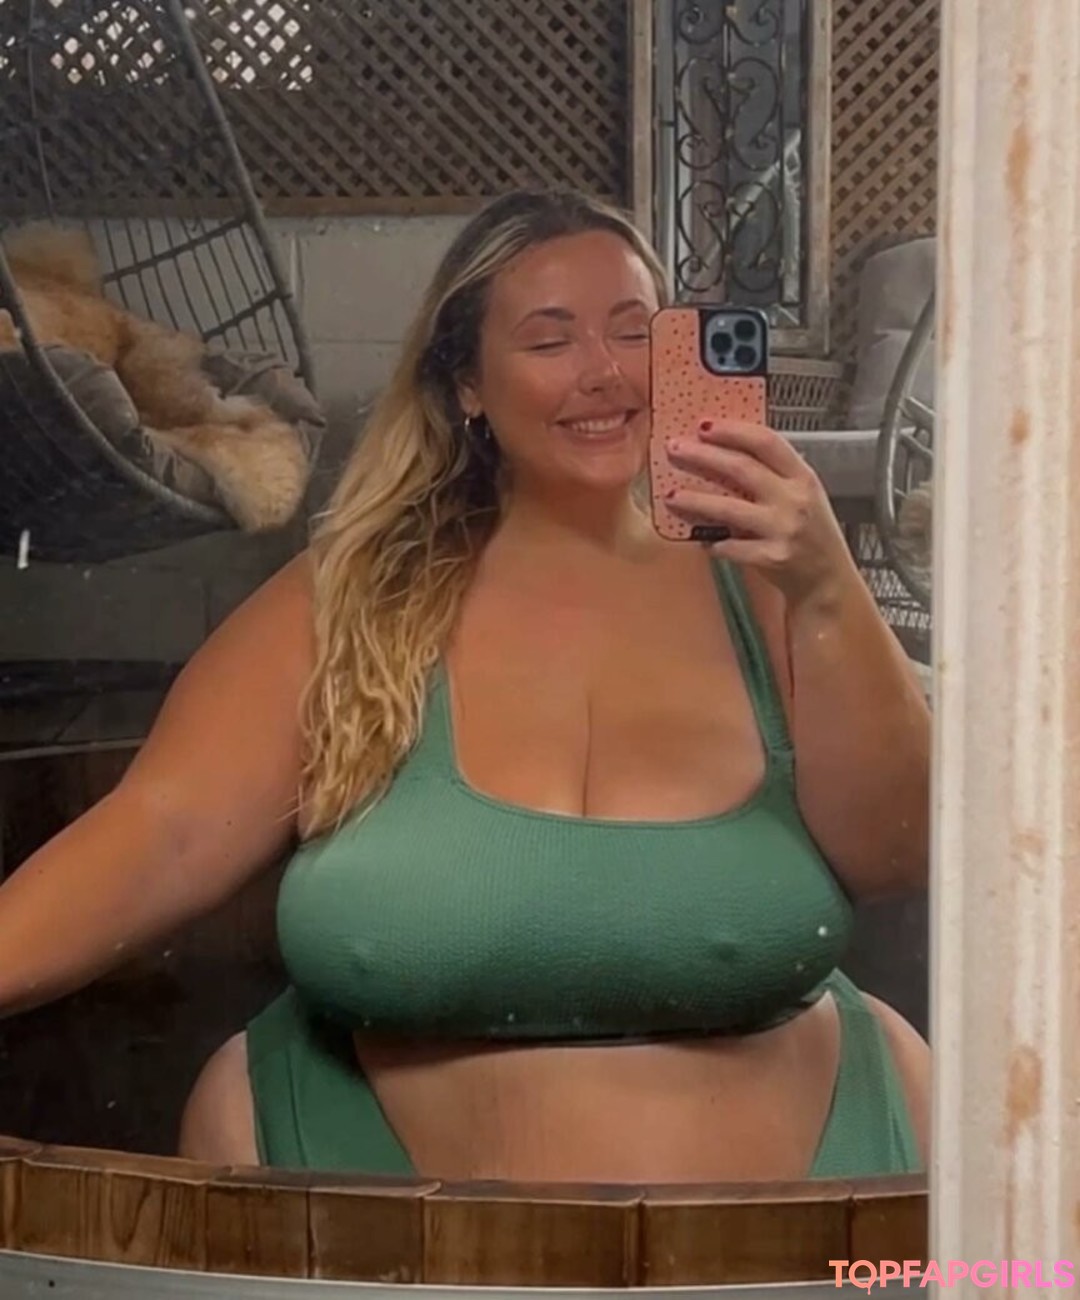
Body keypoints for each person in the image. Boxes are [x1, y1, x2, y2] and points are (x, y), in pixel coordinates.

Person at [0, 190, 931, 1183]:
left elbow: (896, 852)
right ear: (467, 386)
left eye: (634, 332)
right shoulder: (352, 595)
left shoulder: (776, 584)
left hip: (828, 1202)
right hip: (359, 1205)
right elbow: (165, 830)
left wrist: (827, 586)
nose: (604, 372)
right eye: (550, 339)